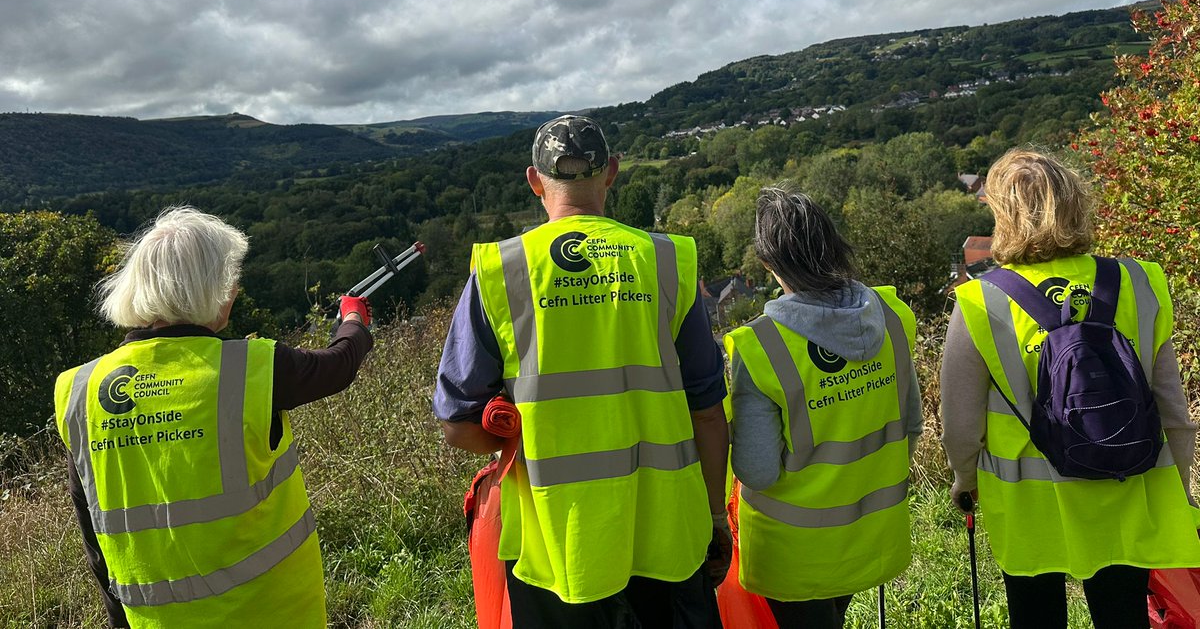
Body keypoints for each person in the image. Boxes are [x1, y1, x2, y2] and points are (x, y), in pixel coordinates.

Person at [434, 114, 730, 628]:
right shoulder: (667, 261)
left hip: (556, 550)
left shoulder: (502, 272)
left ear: (534, 181)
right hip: (668, 539)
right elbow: (706, 412)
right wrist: (713, 518)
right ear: (612, 172)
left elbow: (459, 427)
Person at [54, 206, 376, 628]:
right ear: (208, 290)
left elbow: (91, 526)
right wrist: (354, 319)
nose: (235, 290)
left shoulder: (78, 390)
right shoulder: (254, 368)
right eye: (229, 281)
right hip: (273, 612)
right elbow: (337, 365)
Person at [940, 148, 1200, 629]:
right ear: (1076, 203)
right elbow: (1174, 408)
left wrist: (965, 479)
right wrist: (1176, 483)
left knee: (1035, 618)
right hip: (1129, 484)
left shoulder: (979, 301)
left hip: (1030, 505)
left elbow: (960, 424)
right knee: (1124, 615)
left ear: (1002, 214)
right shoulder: (1142, 281)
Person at [723, 186, 921, 629]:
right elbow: (910, 424)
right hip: (870, 535)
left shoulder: (761, 347)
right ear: (832, 246)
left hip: (794, 555)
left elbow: (758, 472)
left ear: (769, 263)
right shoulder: (892, 317)